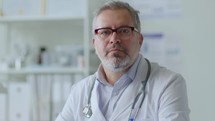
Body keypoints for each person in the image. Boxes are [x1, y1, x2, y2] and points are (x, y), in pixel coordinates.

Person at [55, 1, 190, 121]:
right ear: (94, 43)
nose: (114, 39)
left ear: (140, 40)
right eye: (105, 32)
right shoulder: (80, 91)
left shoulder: (168, 84)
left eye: (124, 31)